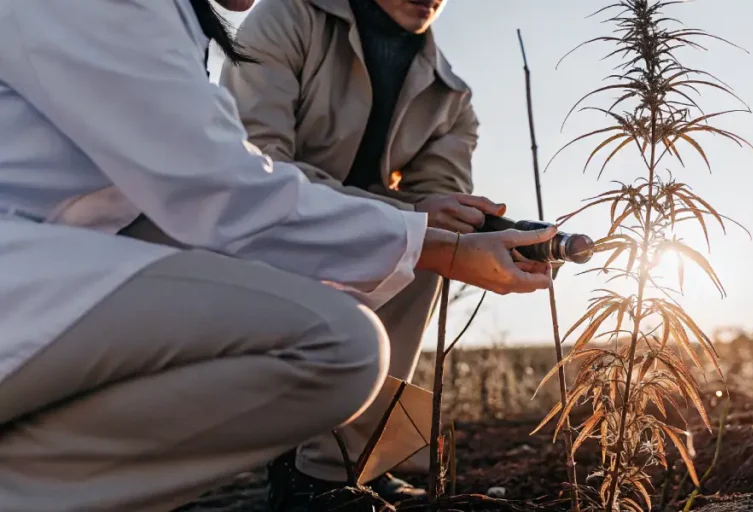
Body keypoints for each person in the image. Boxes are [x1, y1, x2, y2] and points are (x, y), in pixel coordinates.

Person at [0, 1, 551, 511]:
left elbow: (438, 197)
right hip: (234, 205)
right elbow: (237, 173)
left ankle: (346, 468)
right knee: (352, 333)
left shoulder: (450, 93)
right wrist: (421, 235)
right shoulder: (281, 19)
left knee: (417, 250)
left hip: (164, 227)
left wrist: (448, 230)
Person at [218, 0, 496, 504]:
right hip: (257, 234)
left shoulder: (451, 96)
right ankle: (311, 476)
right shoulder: (285, 18)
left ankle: (358, 466)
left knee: (429, 248)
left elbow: (436, 208)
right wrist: (401, 217)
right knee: (410, 233)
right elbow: (254, 165)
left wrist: (478, 229)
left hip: (351, 248)